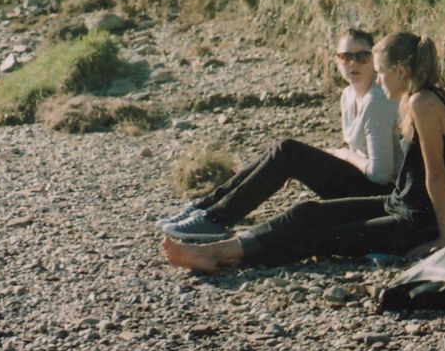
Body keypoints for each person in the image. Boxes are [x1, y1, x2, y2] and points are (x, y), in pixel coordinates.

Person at [161, 32, 445, 273]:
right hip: (399, 205)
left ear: (402, 71)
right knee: (306, 212)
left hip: (417, 223)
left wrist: (443, 238)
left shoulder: (423, 104)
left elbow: (437, 174)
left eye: (380, 72)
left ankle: (216, 254)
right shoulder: (416, 99)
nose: (377, 79)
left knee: (321, 237)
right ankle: (225, 247)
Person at [158, 28, 400, 241]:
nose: (353, 63)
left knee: (288, 151)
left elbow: (381, 174)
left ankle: (215, 219)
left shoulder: (377, 100)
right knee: (281, 152)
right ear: (336, 60)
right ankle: (206, 207)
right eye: (345, 56)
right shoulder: (348, 95)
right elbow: (355, 152)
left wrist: (343, 154)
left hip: (383, 199)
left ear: (374, 60)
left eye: (362, 56)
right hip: (360, 184)